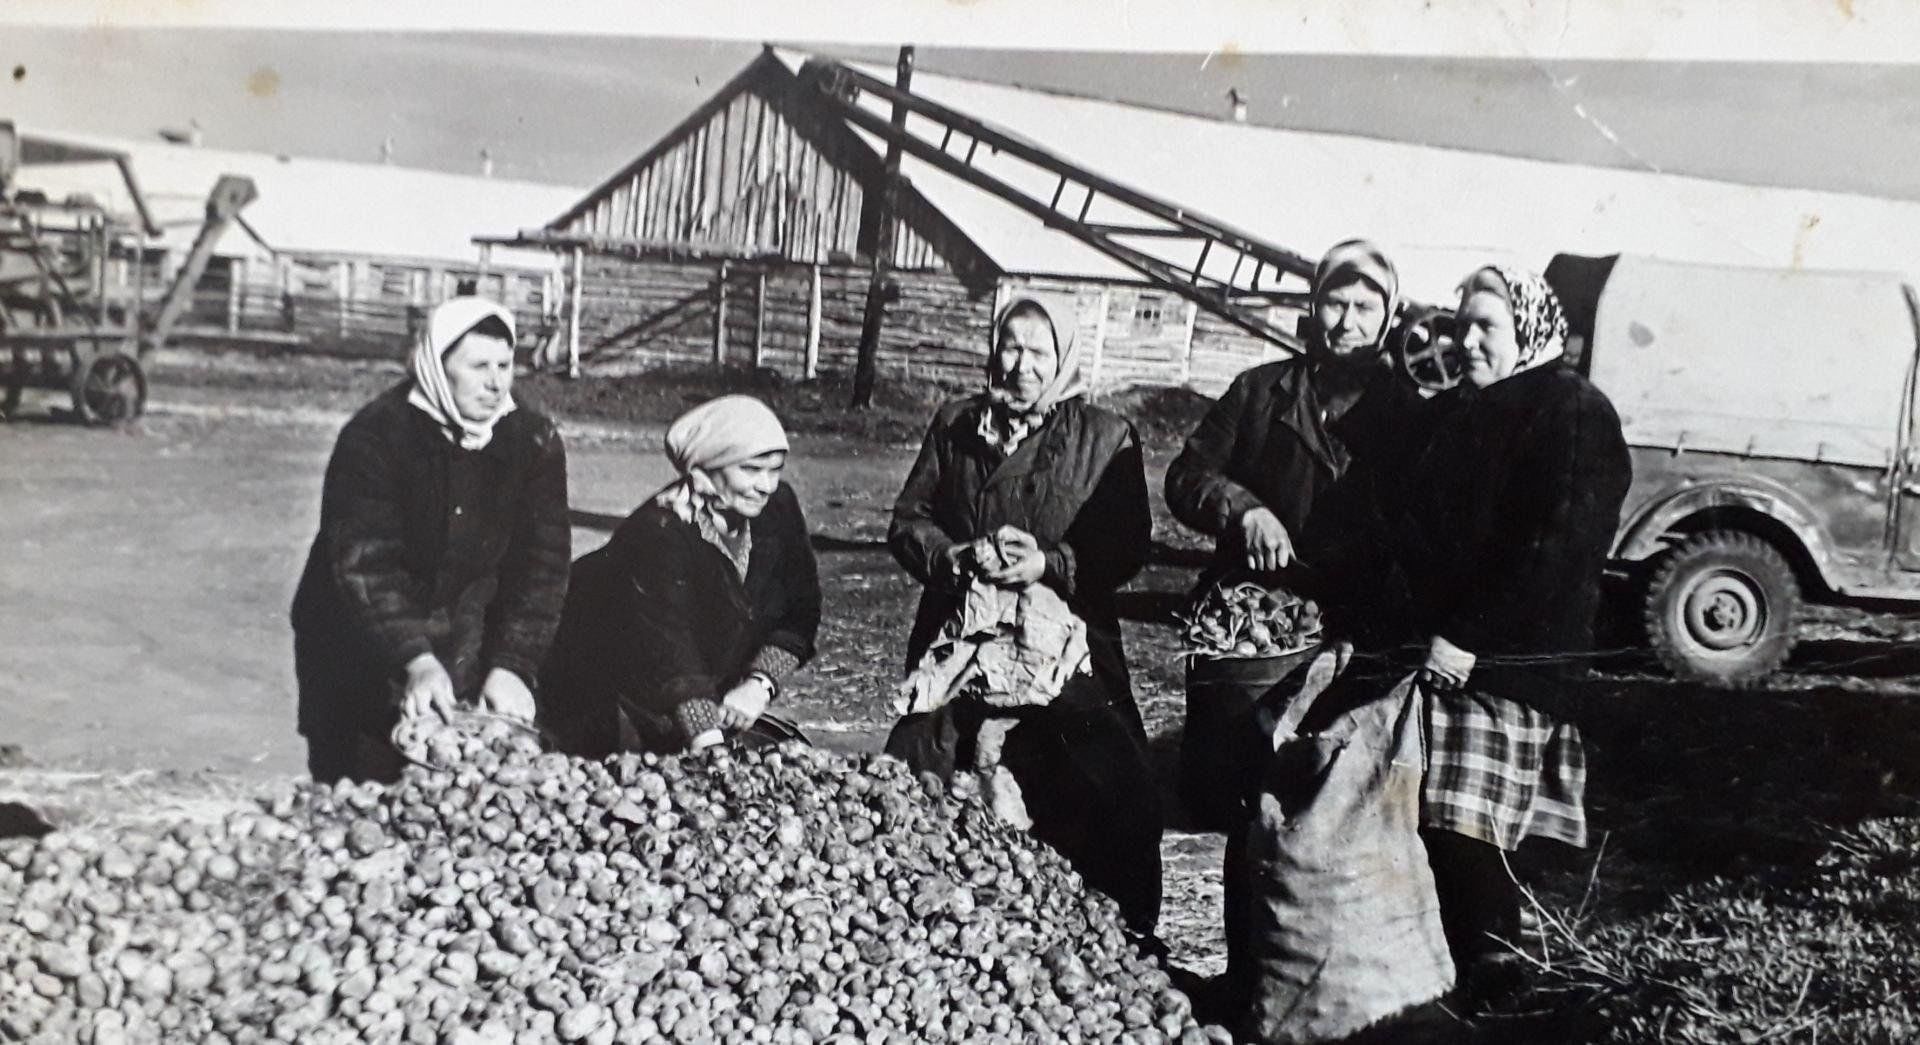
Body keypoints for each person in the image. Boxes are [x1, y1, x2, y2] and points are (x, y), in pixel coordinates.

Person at [1163, 239, 1426, 1012]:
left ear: (1388, 316)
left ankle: (1335, 1000)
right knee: (1253, 816)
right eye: (1334, 303)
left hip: (1359, 639)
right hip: (1258, 639)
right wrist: (1241, 509)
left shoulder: (1409, 416)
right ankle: (1250, 988)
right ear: (1313, 307)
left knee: (1345, 813)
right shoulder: (1261, 391)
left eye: (1364, 306)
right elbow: (1186, 477)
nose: (1345, 321)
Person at [1387, 265, 1631, 999]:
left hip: (1505, 668)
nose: (1465, 341)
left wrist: (1468, 635)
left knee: (1471, 841)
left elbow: (1556, 546)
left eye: (1485, 325)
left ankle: (1495, 989)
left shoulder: (1571, 410)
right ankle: (1454, 989)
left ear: (1529, 326)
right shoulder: (1468, 410)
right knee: (1438, 834)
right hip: (1447, 660)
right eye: (1460, 324)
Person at [886, 296, 1162, 937]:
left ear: (1064, 358)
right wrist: (954, 559)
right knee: (925, 767)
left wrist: (1050, 563)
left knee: (1107, 780)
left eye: (1040, 352)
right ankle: (935, 922)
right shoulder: (957, 425)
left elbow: (1126, 545)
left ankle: (1112, 933)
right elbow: (908, 522)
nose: (1022, 366)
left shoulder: (1104, 436)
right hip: (961, 633)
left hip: (1065, 635)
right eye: (1011, 346)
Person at [292, 297, 571, 784]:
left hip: (469, 632)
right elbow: (365, 564)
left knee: (470, 783)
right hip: (363, 639)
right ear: (437, 366)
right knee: (367, 782)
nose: (495, 382)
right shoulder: (377, 436)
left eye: (505, 366)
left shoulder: (530, 439)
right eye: (478, 365)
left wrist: (514, 663)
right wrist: (415, 658)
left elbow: (543, 565)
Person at [539, 395, 820, 757]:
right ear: (707, 468)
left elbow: (802, 607)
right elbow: (669, 648)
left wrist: (759, 683)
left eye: (775, 469)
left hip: (691, 688)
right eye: (750, 470)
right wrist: (707, 742)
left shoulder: (776, 509)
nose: (766, 484)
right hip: (604, 687)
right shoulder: (658, 532)